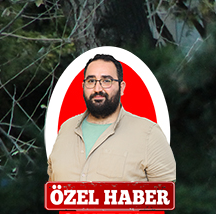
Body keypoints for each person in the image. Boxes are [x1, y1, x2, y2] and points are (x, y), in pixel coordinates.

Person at [48, 53, 176, 183]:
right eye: (91, 81)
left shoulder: (149, 134)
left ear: (122, 88)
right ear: (83, 86)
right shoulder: (65, 129)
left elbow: (166, 197)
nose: (97, 89)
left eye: (106, 81)